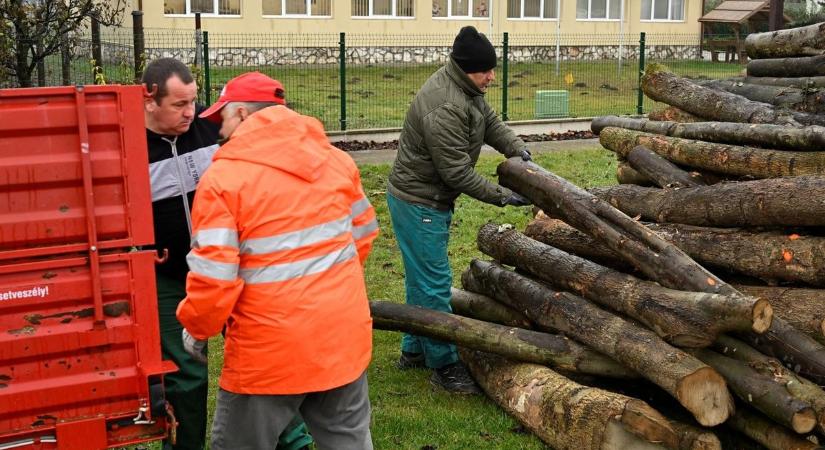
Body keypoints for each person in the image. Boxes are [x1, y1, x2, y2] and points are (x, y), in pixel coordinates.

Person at [176, 71, 378, 450]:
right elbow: (363, 235)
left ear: (240, 114)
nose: (218, 130)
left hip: (267, 353)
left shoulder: (223, 180)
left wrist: (197, 328)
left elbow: (214, 278)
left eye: (221, 119)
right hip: (341, 337)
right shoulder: (336, 161)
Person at [142, 59, 312, 450]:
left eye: (194, 102)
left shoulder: (211, 129)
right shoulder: (128, 146)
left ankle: (292, 441)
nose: (191, 113)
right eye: (179, 105)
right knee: (184, 374)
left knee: (263, 360)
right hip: (169, 276)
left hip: (233, 269)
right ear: (149, 100)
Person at [386, 26, 532, 394]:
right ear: (467, 69)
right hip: (418, 202)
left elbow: (491, 124)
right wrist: (502, 196)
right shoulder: (445, 105)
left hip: (428, 199)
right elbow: (457, 172)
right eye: (486, 71)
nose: (492, 77)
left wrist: (517, 149)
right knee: (434, 284)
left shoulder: (468, 90)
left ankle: (414, 351)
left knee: (421, 277)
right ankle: (445, 366)